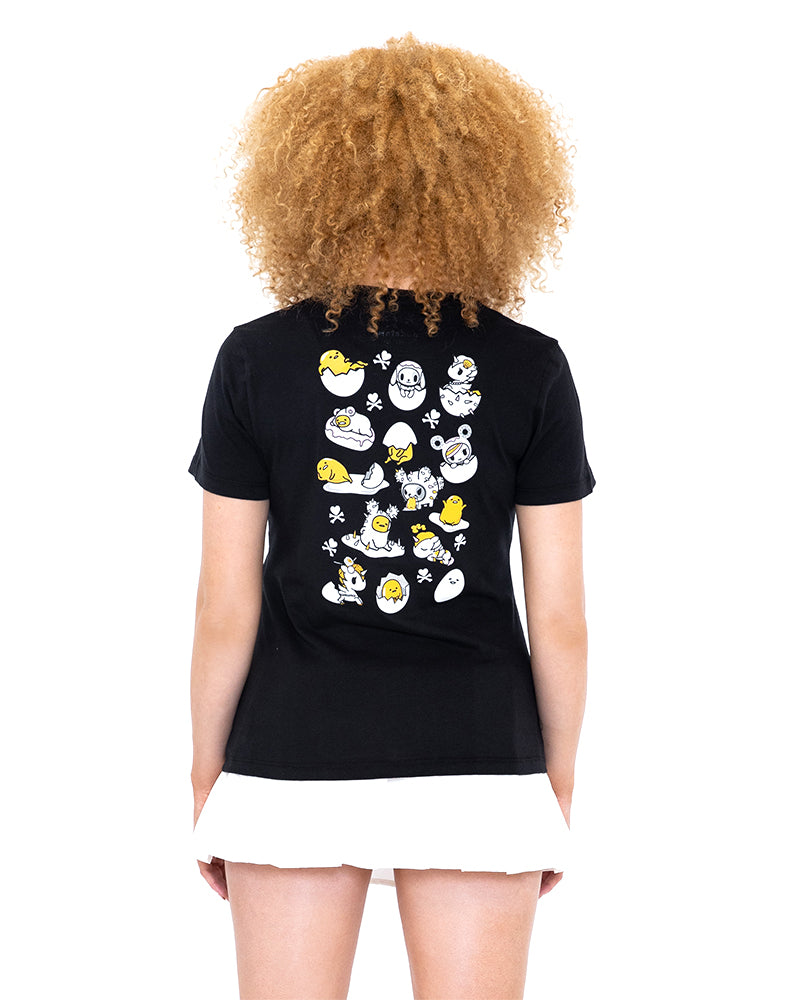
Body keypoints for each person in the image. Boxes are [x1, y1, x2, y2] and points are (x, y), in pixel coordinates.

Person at [188, 32, 596, 999]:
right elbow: (561, 619)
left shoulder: (254, 360)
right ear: (495, 182)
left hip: (290, 753)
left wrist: (207, 772)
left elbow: (224, 605)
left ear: (308, 181)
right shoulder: (530, 366)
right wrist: (555, 781)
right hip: (480, 756)